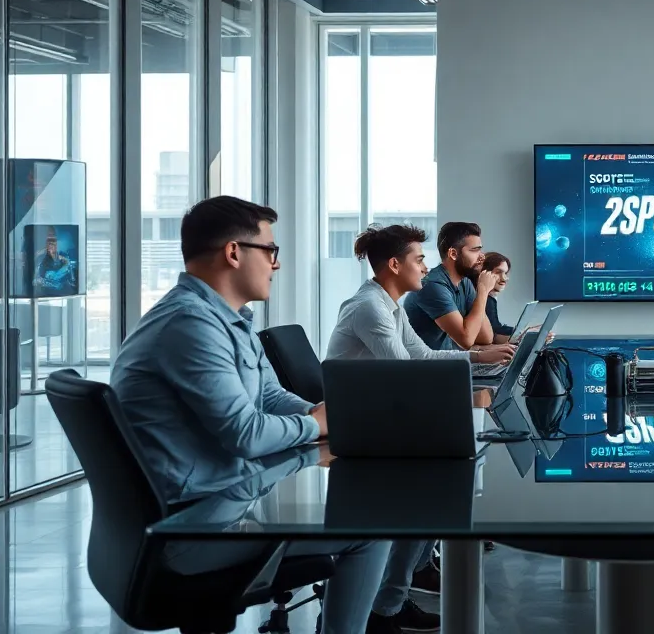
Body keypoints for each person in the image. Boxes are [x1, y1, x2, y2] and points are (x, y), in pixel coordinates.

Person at [108, 196, 423, 634]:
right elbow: (247, 434)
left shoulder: (226, 319)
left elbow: (270, 396)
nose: (276, 264)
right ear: (234, 252)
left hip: (220, 504)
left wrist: (320, 413)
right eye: (270, 251)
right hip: (190, 531)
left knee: (365, 509)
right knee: (371, 528)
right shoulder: (190, 325)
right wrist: (318, 424)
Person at [404, 221, 510, 361]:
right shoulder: (432, 286)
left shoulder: (464, 282)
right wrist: (483, 291)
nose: (482, 257)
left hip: (449, 364)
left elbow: (485, 337)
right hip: (427, 371)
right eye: (475, 250)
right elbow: (466, 340)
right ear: (453, 253)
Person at [480, 251, 516, 343]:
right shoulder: (485, 299)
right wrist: (524, 332)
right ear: (483, 273)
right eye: (498, 272)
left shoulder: (489, 297)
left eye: (505, 273)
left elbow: (496, 327)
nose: (504, 278)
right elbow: (495, 330)